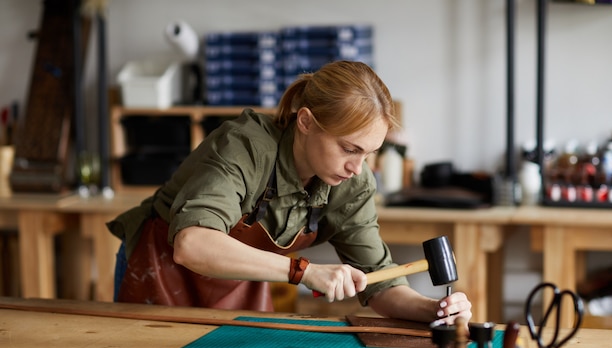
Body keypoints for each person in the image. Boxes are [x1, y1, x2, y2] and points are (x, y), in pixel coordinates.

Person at [107, 60, 472, 324]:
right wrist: (304, 271)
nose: (358, 168)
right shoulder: (245, 147)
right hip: (161, 271)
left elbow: (381, 281)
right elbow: (193, 244)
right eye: (349, 149)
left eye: (369, 153)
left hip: (238, 284)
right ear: (306, 122)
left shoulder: (353, 183)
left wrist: (433, 310)